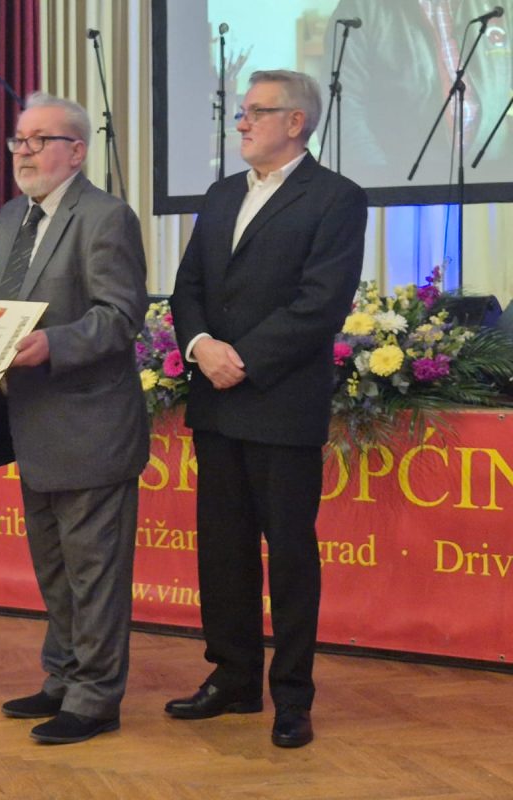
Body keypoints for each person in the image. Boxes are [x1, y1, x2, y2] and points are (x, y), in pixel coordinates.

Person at [167, 70, 367, 748]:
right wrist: (200, 346)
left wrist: (242, 359)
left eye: (257, 112)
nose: (242, 123)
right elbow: (188, 287)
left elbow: (321, 303)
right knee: (222, 553)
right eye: (242, 112)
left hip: (280, 404)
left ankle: (292, 696)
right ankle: (232, 678)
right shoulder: (223, 194)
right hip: (216, 403)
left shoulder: (336, 197)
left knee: (289, 557)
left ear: (296, 122)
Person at [0, 92, 149, 745]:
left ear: (77, 151)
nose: (25, 152)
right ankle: (63, 678)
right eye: (20, 140)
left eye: (41, 140)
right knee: (56, 570)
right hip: (29, 423)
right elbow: (10, 307)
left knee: (94, 574)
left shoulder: (106, 217)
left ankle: (95, 699)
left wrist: (53, 344)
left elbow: (120, 316)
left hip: (90, 428)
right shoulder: (12, 216)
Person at [319, 0, 513, 188]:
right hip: (401, 185)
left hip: (492, 181)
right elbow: (339, 112)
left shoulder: (502, 5)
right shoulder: (361, 7)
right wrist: (382, 187)